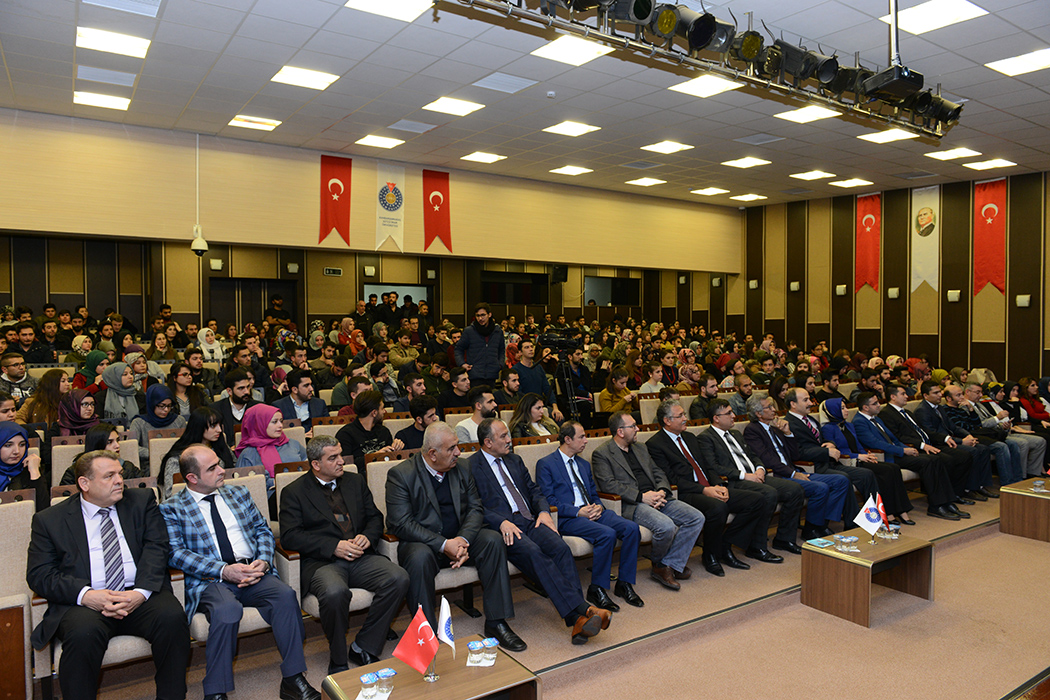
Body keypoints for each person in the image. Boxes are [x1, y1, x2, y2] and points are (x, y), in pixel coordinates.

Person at [26, 450, 191, 700]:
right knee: (83, 634)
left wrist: (141, 592)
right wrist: (87, 595)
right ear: (85, 483)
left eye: (120, 474)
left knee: (172, 618)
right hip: (86, 602)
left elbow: (157, 547)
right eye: (109, 476)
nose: (119, 481)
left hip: (137, 593)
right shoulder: (50, 520)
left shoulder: (141, 501)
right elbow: (40, 574)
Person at [160, 444, 320, 700]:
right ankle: (215, 691)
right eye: (212, 468)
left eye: (219, 463)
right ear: (192, 478)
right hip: (211, 580)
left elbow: (263, 530)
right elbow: (175, 554)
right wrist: (223, 570)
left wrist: (263, 561)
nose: (222, 470)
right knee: (227, 611)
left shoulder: (239, 493)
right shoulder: (172, 508)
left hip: (253, 570)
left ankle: (293, 678)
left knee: (285, 596)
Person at [469, 418, 611, 642]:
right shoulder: (470, 466)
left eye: (508, 434)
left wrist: (544, 511)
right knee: (534, 553)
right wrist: (500, 522)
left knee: (560, 548)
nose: (509, 440)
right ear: (488, 442)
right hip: (505, 527)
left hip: (530, 520)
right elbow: (474, 506)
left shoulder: (514, 460)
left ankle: (578, 620)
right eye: (503, 436)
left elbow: (534, 491)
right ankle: (583, 611)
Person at [385, 421, 523, 650]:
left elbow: (475, 508)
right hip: (424, 543)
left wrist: (462, 541)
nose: (458, 452)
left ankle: (497, 622)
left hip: (459, 538)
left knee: (492, 540)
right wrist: (443, 544)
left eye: (457, 446)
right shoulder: (401, 475)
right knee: (418, 558)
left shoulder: (462, 467)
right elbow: (401, 523)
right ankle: (426, 634)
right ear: (432, 454)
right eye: (451, 449)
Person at [279, 435, 409, 673]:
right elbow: (290, 536)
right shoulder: (294, 492)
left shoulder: (354, 481)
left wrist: (367, 537)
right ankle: (338, 658)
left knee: (398, 577)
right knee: (335, 592)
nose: (341, 461)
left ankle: (364, 646)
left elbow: (375, 517)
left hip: (361, 557)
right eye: (333, 458)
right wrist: (333, 546)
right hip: (323, 562)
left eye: (340, 455)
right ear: (316, 464)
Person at [646, 400, 779, 576]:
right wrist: (704, 490)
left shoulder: (690, 437)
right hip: (687, 492)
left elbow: (707, 467)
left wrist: (718, 485)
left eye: (684, 414)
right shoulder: (655, 444)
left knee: (757, 500)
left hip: (709, 486)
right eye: (680, 416)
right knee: (718, 507)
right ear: (667, 421)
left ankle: (726, 544)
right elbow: (671, 479)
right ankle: (710, 555)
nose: (686, 418)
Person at [591, 412, 705, 590]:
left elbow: (658, 471)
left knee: (696, 517)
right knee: (666, 526)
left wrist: (662, 491)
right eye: (633, 426)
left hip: (657, 497)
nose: (638, 429)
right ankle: (659, 565)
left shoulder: (641, 448)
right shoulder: (602, 453)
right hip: (633, 503)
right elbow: (609, 485)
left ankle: (670, 564)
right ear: (620, 431)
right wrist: (642, 497)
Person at [536, 421, 643, 609]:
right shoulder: (546, 464)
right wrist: (578, 511)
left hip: (592, 511)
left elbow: (593, 493)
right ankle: (597, 588)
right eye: (582, 437)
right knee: (607, 534)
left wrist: (598, 506)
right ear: (567, 439)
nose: (586, 440)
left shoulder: (583, 464)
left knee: (632, 528)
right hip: (568, 517)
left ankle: (624, 583)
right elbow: (548, 499)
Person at [696, 398, 805, 554]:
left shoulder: (735, 434)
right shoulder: (706, 437)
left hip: (756, 476)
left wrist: (760, 468)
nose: (733, 416)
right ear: (716, 418)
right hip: (735, 481)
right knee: (769, 493)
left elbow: (753, 455)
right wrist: (744, 475)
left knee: (795, 489)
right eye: (729, 413)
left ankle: (784, 539)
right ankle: (757, 546)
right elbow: (713, 466)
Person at [743, 394, 850, 539]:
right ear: (758, 413)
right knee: (820, 488)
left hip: (793, 470)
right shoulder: (752, 430)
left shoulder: (775, 428)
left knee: (841, 480)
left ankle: (821, 524)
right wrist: (793, 474)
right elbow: (767, 460)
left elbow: (794, 455)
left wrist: (788, 433)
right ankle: (811, 528)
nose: (774, 410)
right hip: (779, 476)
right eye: (769, 407)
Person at [853, 389, 970, 521]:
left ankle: (947, 502)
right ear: (865, 407)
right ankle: (936, 506)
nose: (879, 405)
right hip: (887, 456)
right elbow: (876, 443)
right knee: (927, 462)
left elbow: (894, 439)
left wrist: (906, 448)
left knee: (935, 459)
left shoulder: (877, 419)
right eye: (875, 403)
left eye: (878, 402)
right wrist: (903, 451)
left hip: (896, 452)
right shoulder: (859, 422)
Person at [818, 398, 915, 526]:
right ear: (833, 411)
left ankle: (901, 510)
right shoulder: (827, 429)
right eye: (842, 408)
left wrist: (866, 454)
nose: (847, 410)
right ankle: (886, 512)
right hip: (847, 462)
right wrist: (858, 456)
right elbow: (835, 451)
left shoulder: (849, 425)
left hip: (860, 458)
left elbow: (858, 446)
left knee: (893, 468)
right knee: (885, 471)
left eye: (846, 407)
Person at [783, 387, 874, 522]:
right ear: (793, 404)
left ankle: (874, 516)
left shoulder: (810, 419)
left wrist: (830, 444)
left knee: (866, 474)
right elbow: (798, 452)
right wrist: (826, 452)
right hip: (814, 466)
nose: (811, 403)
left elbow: (822, 439)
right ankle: (849, 521)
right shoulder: (789, 424)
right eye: (806, 400)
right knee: (843, 478)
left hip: (828, 462)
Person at [879, 383, 976, 509]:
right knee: (942, 459)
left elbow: (923, 431)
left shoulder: (907, 412)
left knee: (963, 456)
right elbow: (898, 437)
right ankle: (941, 502)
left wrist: (944, 438)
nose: (907, 396)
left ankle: (953, 495)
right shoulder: (886, 413)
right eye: (903, 394)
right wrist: (922, 445)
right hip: (913, 448)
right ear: (893, 397)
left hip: (928, 443)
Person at [914, 381, 998, 502]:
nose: (940, 395)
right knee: (972, 451)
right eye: (936, 393)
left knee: (983, 449)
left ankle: (981, 485)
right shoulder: (922, 410)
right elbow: (931, 434)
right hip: (938, 444)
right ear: (926, 395)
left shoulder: (939, 407)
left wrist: (968, 435)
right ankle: (969, 488)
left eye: (940, 392)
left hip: (949, 440)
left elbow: (953, 427)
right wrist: (961, 441)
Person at [234, 404, 308, 501]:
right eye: (274, 422)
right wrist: (276, 482)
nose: (280, 425)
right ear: (259, 424)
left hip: (303, 492)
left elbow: (309, 465)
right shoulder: (248, 454)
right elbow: (247, 487)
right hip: (271, 499)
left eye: (281, 421)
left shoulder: (293, 444)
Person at [161, 407, 236, 499]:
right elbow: (171, 492)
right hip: (191, 502)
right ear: (199, 427)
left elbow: (235, 472)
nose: (219, 430)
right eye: (213, 426)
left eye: (220, 425)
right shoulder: (178, 458)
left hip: (224, 497)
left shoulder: (221, 447)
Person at [59, 422, 148, 486]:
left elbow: (147, 490)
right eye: (109, 442)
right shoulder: (75, 472)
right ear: (97, 445)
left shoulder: (128, 468)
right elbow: (65, 501)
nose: (117, 445)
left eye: (117, 440)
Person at [128, 384, 187, 472]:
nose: (166, 410)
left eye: (169, 406)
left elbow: (186, 443)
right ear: (152, 404)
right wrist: (155, 453)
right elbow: (131, 447)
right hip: (148, 466)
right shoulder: (139, 422)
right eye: (162, 406)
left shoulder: (179, 420)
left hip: (176, 465)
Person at [335, 390, 403, 466]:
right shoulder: (345, 434)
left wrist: (396, 449)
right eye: (382, 408)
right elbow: (347, 464)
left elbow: (390, 460)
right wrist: (374, 456)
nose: (384, 411)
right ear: (374, 413)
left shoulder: (384, 431)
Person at [454, 303, 505, 389]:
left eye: (483, 315)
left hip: (492, 374)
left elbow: (501, 350)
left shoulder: (497, 331)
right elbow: (458, 349)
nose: (480, 318)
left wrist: (500, 364)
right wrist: (462, 364)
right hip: (475, 375)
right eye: (478, 316)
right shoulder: (469, 331)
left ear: (489, 315)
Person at [512, 339, 563, 422]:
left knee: (559, 418)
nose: (530, 349)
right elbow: (519, 393)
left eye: (532, 347)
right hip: (526, 407)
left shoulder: (539, 367)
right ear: (520, 352)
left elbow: (547, 388)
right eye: (527, 347)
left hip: (540, 406)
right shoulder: (516, 369)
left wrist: (555, 407)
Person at [0, 421, 47, 507]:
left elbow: (44, 509)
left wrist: (34, 472)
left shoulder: (28, 469)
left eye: (22, 445)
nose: (17, 451)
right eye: (8, 445)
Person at [273, 369, 328, 433]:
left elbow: (327, 429)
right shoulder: (279, 407)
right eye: (306, 386)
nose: (311, 389)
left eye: (311, 385)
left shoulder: (320, 404)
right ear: (295, 390)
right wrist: (300, 436)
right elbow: (276, 433)